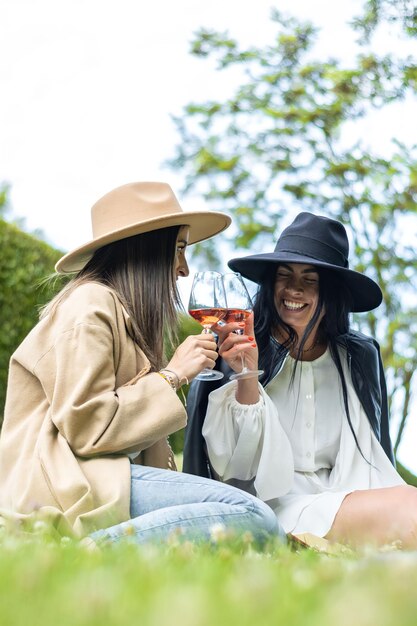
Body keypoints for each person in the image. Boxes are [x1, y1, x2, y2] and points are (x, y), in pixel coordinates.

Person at [0, 181, 281, 545]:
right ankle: (89, 553)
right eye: (179, 249)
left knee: (242, 513)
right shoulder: (89, 306)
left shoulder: (120, 315)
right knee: (253, 516)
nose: (183, 269)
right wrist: (172, 375)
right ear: (148, 248)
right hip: (64, 484)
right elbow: (87, 428)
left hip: (98, 480)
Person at [183, 212, 417, 549]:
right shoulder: (241, 348)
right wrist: (248, 373)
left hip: (348, 497)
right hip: (273, 509)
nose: (294, 289)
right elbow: (233, 467)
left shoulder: (356, 359)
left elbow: (377, 454)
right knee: (409, 507)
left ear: (331, 292)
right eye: (284, 275)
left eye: (311, 279)